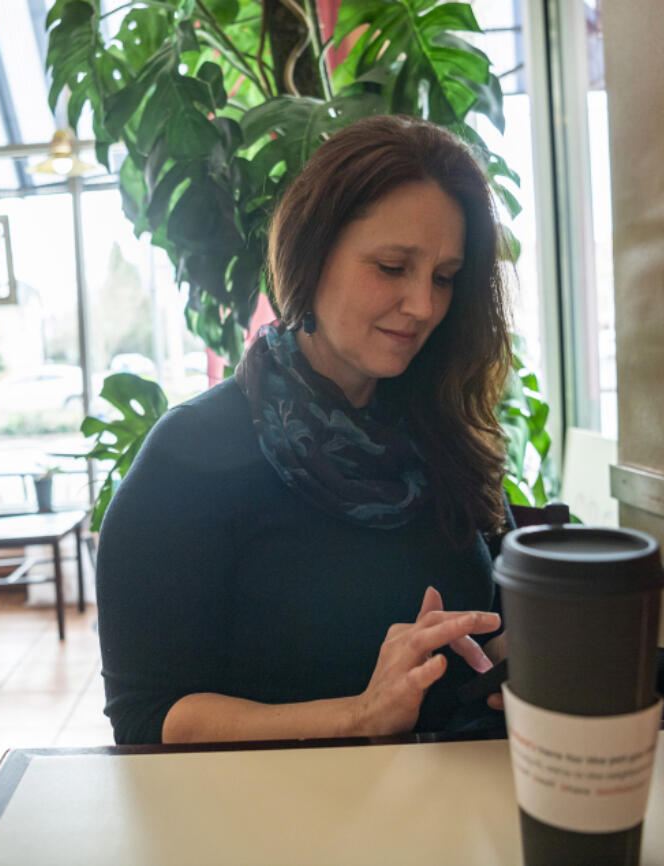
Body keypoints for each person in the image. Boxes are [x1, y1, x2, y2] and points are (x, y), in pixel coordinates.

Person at [96, 116, 515, 746]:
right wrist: (360, 714)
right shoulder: (189, 458)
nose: (423, 305)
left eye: (444, 277)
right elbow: (148, 715)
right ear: (312, 255)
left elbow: (487, 625)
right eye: (392, 266)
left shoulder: (440, 432)